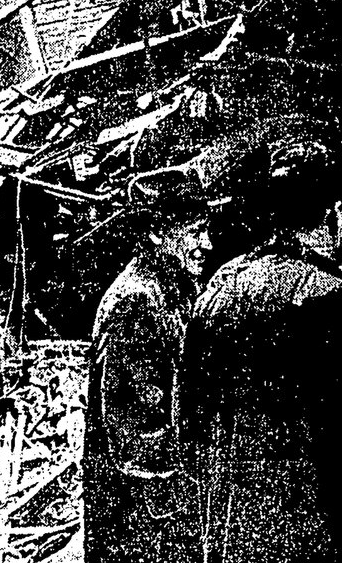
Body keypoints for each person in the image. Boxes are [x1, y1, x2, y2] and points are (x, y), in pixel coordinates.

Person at [178, 139, 342, 563]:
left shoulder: (220, 286)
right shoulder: (328, 297)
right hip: (304, 527)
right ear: (332, 213)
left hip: (227, 525)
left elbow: (189, 416)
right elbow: (340, 441)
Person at [84, 169, 216, 563]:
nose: (205, 243)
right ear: (158, 234)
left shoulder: (171, 290)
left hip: (157, 510)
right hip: (142, 518)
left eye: (205, 228)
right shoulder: (137, 305)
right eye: (194, 231)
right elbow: (135, 439)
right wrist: (197, 472)